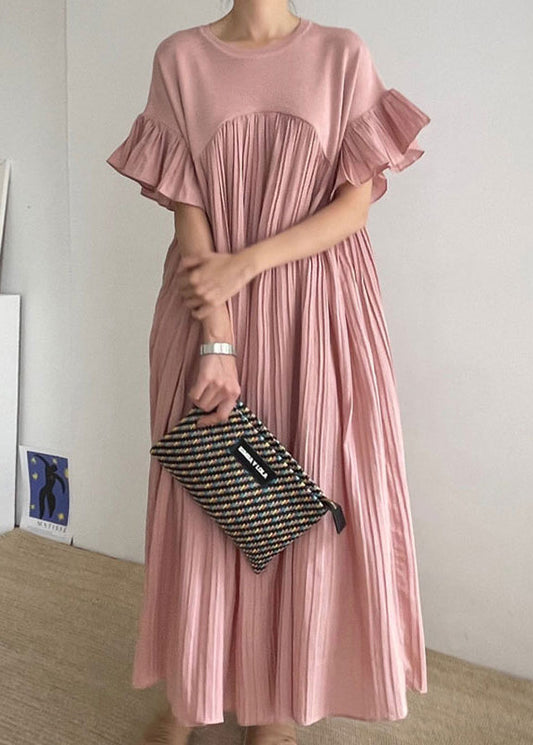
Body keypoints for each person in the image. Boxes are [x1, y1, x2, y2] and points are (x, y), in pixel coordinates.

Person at [106, 4, 431, 745]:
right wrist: (216, 337)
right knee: (208, 492)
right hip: (205, 309)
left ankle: (275, 704)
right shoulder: (180, 59)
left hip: (317, 311)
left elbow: (353, 208)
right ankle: (190, 694)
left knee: (299, 501)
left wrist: (246, 264)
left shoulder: (341, 55)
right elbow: (187, 208)